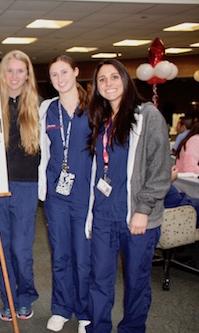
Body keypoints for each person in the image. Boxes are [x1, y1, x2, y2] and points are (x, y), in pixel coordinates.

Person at [86, 59, 171, 333]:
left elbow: (161, 170)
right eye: (102, 79)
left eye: (114, 77)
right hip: (103, 215)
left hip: (136, 218)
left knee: (136, 282)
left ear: (126, 80)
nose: (108, 83)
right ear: (97, 88)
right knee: (99, 278)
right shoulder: (101, 119)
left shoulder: (148, 116)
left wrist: (143, 210)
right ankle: (98, 328)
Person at [0, 49, 41, 322]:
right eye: (10, 70)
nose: (15, 76)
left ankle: (25, 295)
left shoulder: (39, 107)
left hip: (26, 185)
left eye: (20, 70)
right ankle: (8, 299)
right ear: (1, 73)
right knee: (1, 246)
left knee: (20, 248)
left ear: (27, 74)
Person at [38, 55, 92, 333]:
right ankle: (61, 308)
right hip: (56, 195)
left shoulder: (95, 109)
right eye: (54, 75)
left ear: (75, 72)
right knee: (60, 254)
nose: (60, 79)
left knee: (83, 256)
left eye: (64, 72)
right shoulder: (47, 109)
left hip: (85, 194)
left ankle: (85, 312)